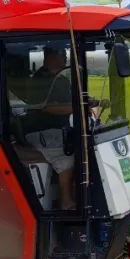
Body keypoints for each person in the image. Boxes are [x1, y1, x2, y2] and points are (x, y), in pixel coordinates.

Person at [22, 45, 76, 210]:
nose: (66, 58)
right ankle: (66, 201)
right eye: (62, 54)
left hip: (55, 130)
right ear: (50, 58)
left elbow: (70, 101)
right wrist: (79, 108)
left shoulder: (60, 78)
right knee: (66, 157)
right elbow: (44, 107)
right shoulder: (42, 80)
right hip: (42, 131)